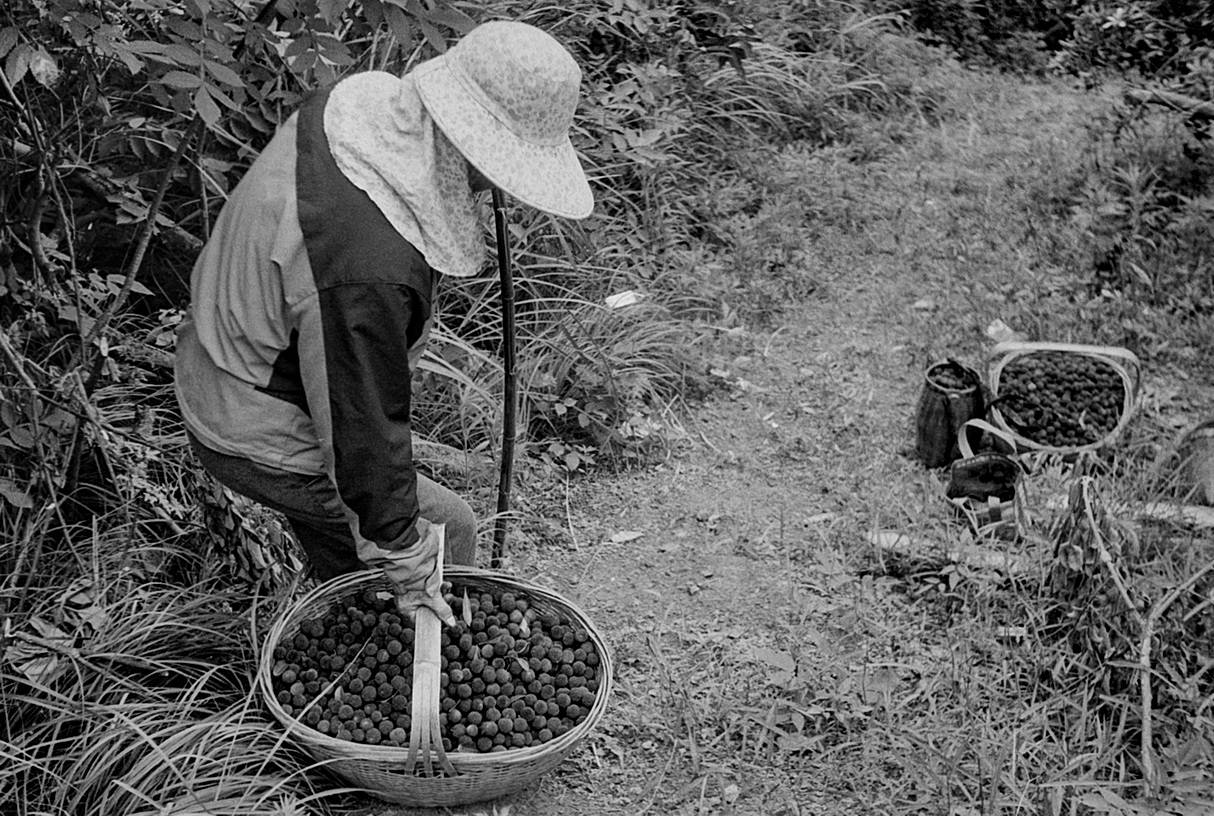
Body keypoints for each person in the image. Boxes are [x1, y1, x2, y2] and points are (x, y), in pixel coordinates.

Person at [173, 21, 594, 625]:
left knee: (354, 544)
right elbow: (359, 427)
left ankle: (352, 615)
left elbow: (348, 368)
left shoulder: (355, 113)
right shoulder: (365, 268)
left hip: (224, 356)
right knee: (446, 525)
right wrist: (407, 560)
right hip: (249, 419)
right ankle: (420, 660)